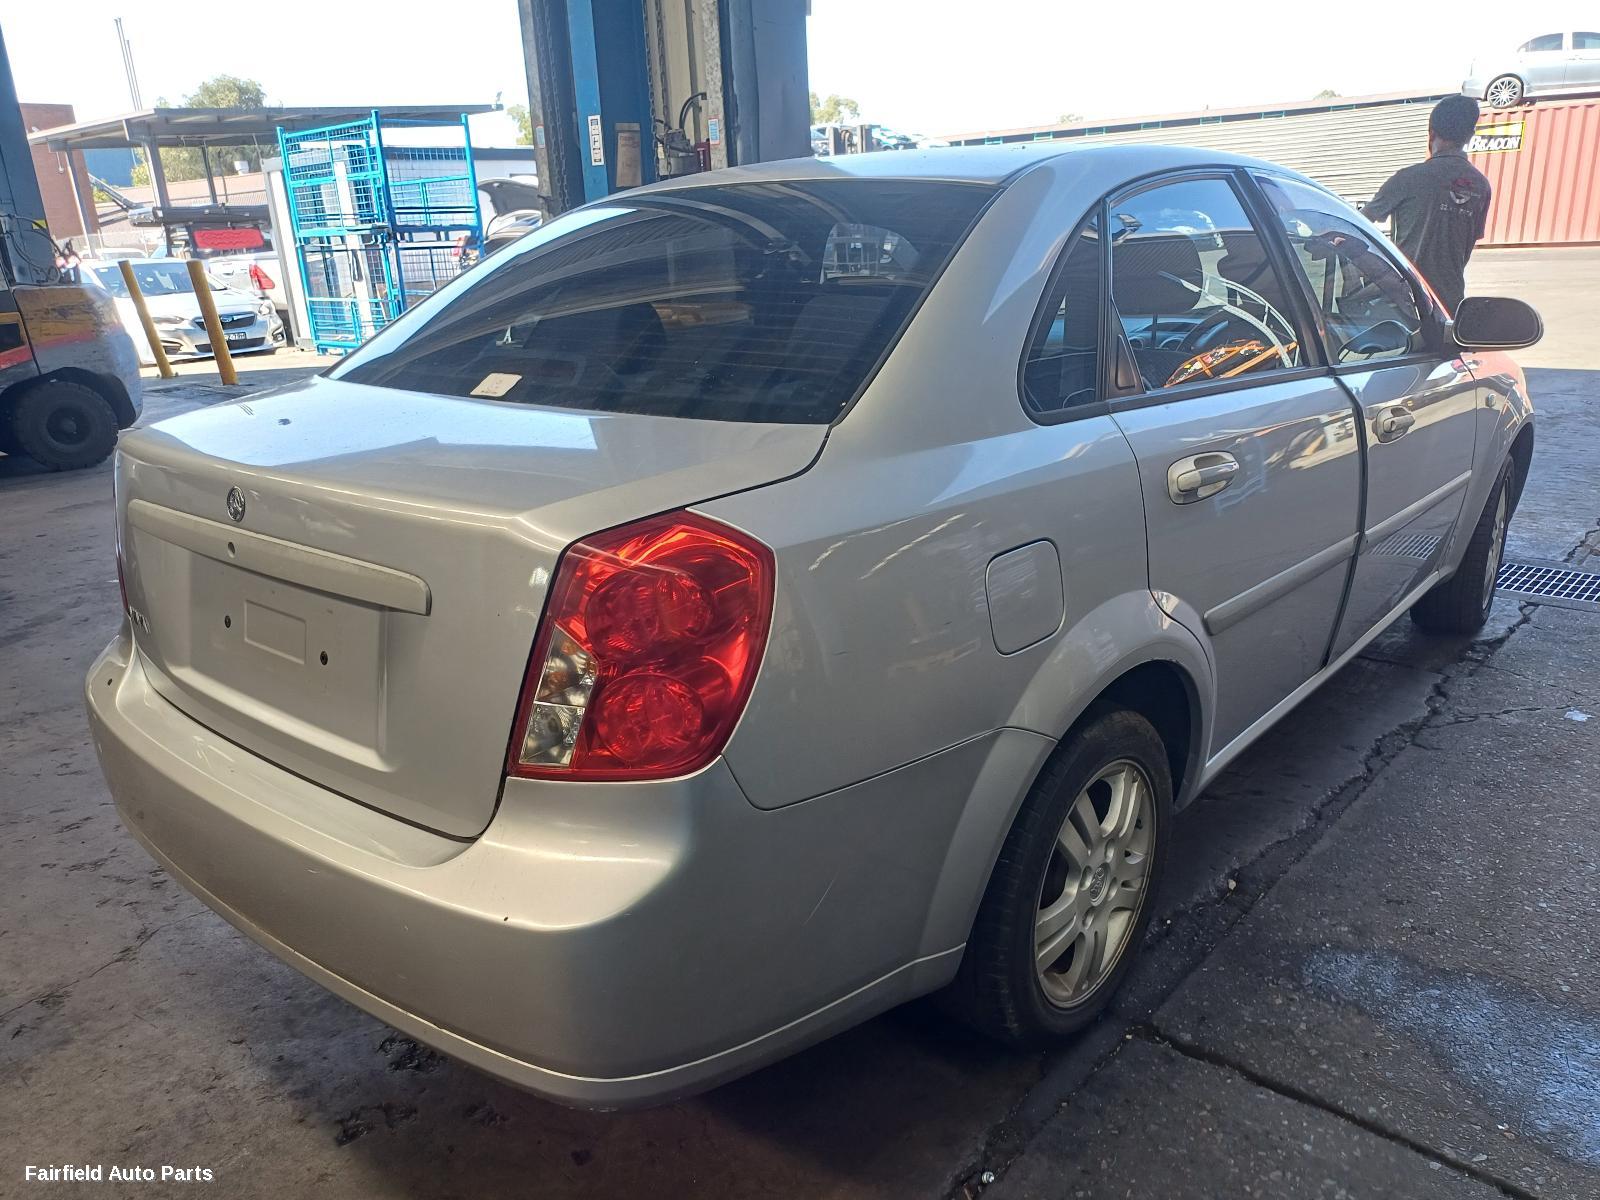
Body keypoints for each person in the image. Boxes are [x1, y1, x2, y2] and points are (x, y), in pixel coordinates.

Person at [1362, 95, 1491, 315]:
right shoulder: (1481, 186)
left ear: (1431, 133)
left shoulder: (1409, 178)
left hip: (1406, 298)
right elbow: (1467, 247)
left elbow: (1361, 221)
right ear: (1470, 135)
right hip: (1450, 302)